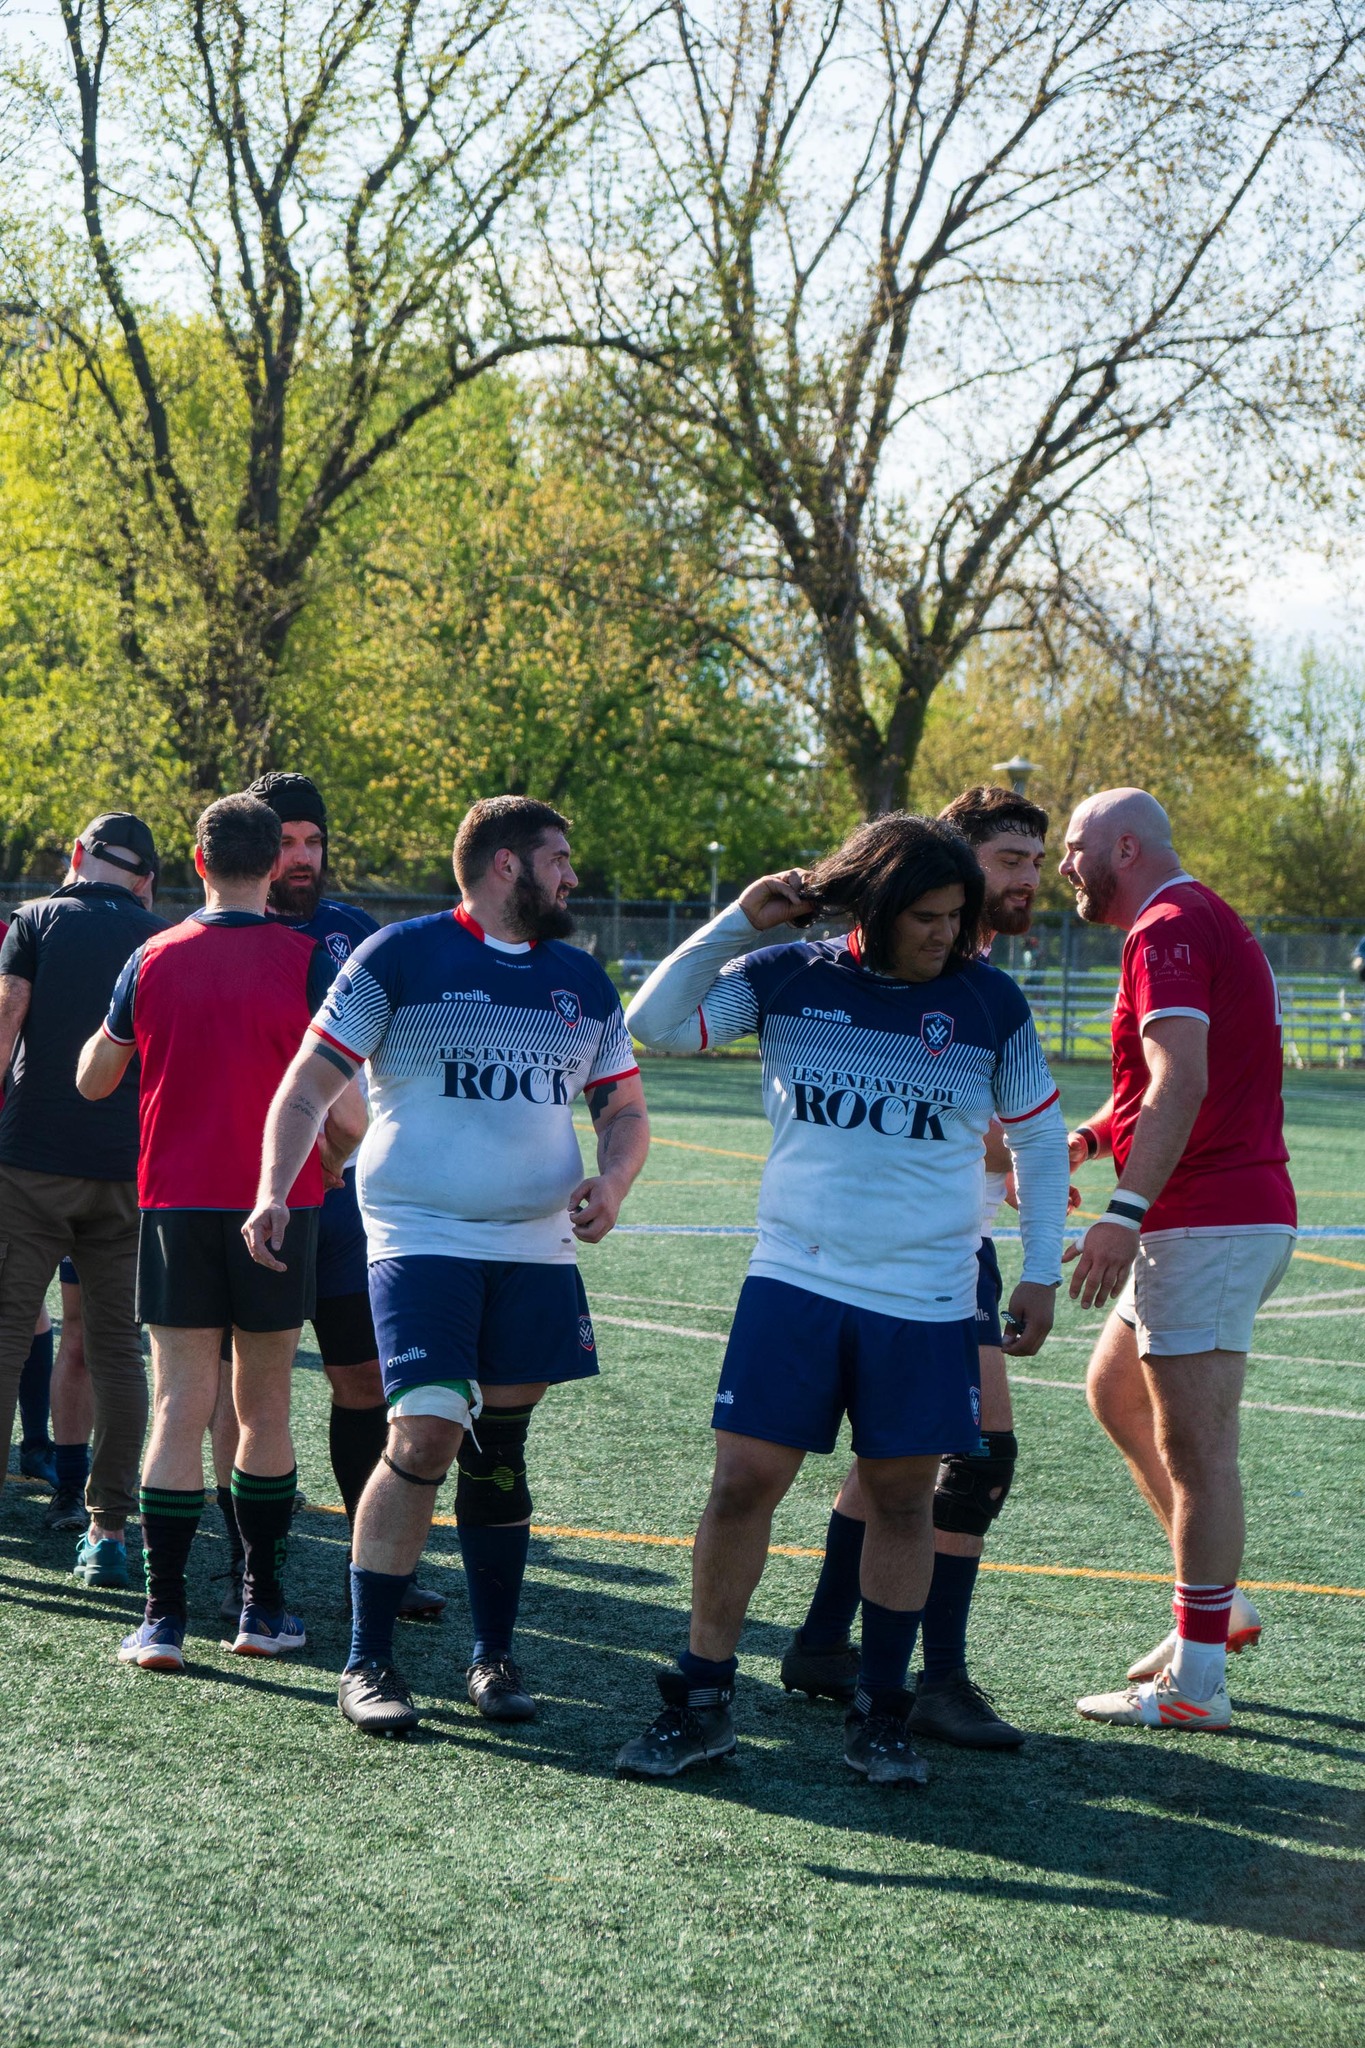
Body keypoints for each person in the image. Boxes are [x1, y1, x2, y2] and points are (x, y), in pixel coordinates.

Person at [614, 814, 1070, 1787]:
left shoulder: (988, 999)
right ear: (877, 906)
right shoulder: (789, 974)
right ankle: (702, 1699)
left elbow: (1037, 1137)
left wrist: (1039, 1269)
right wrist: (737, 923)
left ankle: (881, 1713)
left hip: (927, 1294)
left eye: (955, 915)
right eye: (927, 916)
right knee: (742, 1482)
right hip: (795, 1281)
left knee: (903, 1495)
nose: (947, 934)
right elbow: (653, 1025)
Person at [245, 796, 650, 1737]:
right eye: (559, 858)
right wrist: (273, 1188)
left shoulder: (580, 979)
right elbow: (307, 1086)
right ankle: (367, 1661)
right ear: (507, 864)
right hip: (419, 1232)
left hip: (535, 1243)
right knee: (425, 1433)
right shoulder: (399, 955)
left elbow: (623, 1108)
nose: (572, 876)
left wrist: (615, 1179)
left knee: (498, 1450)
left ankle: (492, 1656)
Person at [781, 785, 1059, 1748]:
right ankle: (935, 1680)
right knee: (970, 1459)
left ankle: (825, 1642)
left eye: (1036, 860)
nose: (1029, 879)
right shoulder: (900, 969)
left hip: (951, 1248)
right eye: (1010, 860)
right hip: (900, 1256)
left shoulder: (975, 979)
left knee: (898, 1456)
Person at [77, 794, 366, 1673]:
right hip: (280, 1206)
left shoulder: (152, 955)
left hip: (175, 1205)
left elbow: (93, 1079)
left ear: (198, 863)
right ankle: (261, 1608)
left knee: (178, 1407)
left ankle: (163, 1618)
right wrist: (328, 1165)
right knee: (264, 1409)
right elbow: (349, 1113)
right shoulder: (311, 960)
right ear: (274, 866)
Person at [1059, 788, 1296, 1732]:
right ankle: (1218, 1608)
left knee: (1196, 1450)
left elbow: (1181, 1080)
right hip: (1210, 1216)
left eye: (1073, 847)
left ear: (1124, 848)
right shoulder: (1187, 918)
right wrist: (1086, 1140)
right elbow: (1154, 1084)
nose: (1064, 867)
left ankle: (1196, 1683)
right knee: (1114, 1390)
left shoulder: (1165, 925)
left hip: (1206, 1220)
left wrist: (1122, 1211)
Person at [243, 770, 441, 1624]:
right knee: (246, 1393)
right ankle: (249, 1568)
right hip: (254, 1197)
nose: (301, 857)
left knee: (361, 1376)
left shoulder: (356, 935)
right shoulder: (225, 928)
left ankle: (376, 1561)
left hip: (348, 1204)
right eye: (285, 841)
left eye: (312, 841)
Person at [0, 815, 164, 1587]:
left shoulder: (35, 918)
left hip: (31, 1160)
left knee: (5, 1339)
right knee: (117, 1354)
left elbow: (7, 1019)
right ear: (145, 879)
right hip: (127, 1168)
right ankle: (108, 1532)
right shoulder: (160, 938)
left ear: (76, 856)